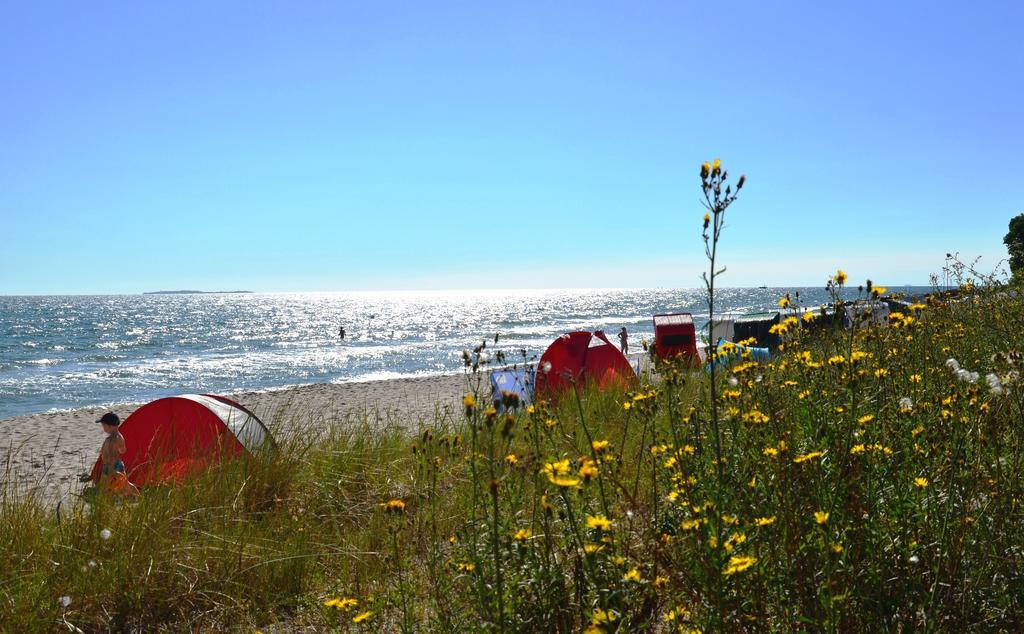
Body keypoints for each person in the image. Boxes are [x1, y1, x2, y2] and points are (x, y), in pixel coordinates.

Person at [92, 412, 136, 495]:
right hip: (115, 464)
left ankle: (136, 496)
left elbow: (111, 456)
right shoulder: (120, 437)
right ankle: (134, 495)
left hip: (112, 465)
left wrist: (111, 469)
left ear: (110, 426)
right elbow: (123, 450)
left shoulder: (110, 440)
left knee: (122, 484)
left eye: (104, 426)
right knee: (124, 484)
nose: (103, 428)